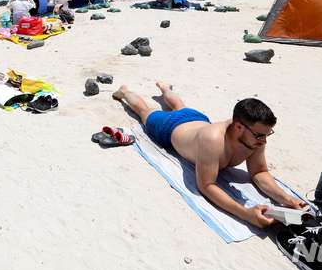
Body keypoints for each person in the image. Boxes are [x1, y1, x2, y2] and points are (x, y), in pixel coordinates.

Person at [112, 82, 307, 228]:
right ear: (239, 127)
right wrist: (246, 213)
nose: (264, 141)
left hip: (197, 119)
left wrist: (285, 198)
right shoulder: (213, 139)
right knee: (144, 111)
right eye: (259, 135)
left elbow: (259, 171)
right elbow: (206, 185)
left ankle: (165, 88)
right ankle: (125, 91)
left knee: (181, 106)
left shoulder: (252, 136)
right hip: (169, 126)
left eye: (267, 134)